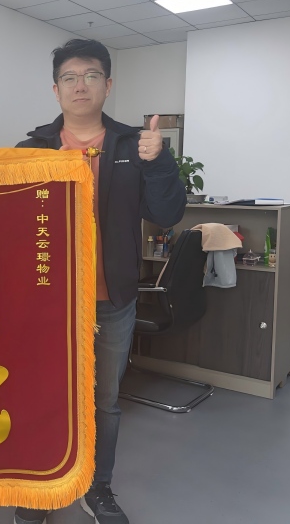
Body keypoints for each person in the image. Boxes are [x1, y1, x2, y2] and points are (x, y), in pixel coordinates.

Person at [13, 39, 186, 524]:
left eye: (91, 76)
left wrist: (160, 162)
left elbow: (167, 214)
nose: (80, 86)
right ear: (55, 89)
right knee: (44, 395)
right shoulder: (32, 149)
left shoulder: (133, 145)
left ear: (108, 85)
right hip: (48, 302)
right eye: (69, 77)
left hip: (111, 298)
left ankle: (97, 487)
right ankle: (42, 489)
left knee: (104, 401)